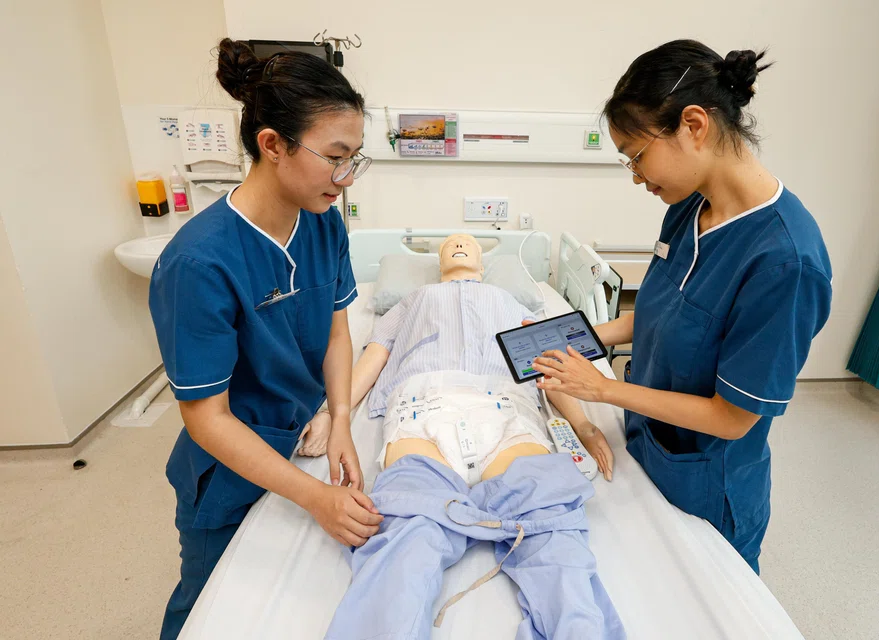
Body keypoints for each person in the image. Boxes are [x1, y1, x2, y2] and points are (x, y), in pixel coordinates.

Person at [529, 40, 832, 574]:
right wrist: (575, 337)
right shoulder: (689, 207)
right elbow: (657, 315)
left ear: (694, 125)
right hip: (647, 441)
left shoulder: (785, 262)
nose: (636, 177)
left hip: (705, 481)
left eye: (637, 156)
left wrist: (600, 389)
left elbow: (733, 418)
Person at [149, 39, 382, 639]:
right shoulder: (200, 262)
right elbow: (207, 418)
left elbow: (336, 328)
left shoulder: (324, 223)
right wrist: (315, 497)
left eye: (355, 157)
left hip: (297, 437)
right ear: (272, 144)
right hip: (228, 466)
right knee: (208, 609)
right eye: (334, 157)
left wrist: (340, 418)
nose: (345, 178)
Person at [302, 234, 624, 639]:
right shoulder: (410, 301)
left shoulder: (513, 303)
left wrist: (584, 425)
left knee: (551, 531)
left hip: (506, 408)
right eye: (449, 244)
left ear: (482, 263)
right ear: (438, 263)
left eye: (467, 243)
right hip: (423, 409)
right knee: (407, 539)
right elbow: (373, 358)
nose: (458, 244)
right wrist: (333, 415)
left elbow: (546, 368)